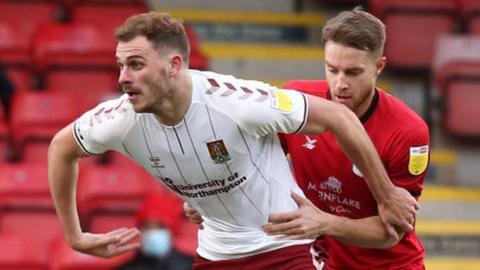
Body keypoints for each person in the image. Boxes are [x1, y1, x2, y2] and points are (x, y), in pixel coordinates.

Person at [48, 11, 418, 270]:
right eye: (120, 65)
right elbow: (61, 148)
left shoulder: (238, 101)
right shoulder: (120, 120)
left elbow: (338, 117)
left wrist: (384, 194)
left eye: (136, 65)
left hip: (284, 251)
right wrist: (75, 236)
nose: (123, 78)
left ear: (174, 65)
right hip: (216, 255)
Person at [261, 7, 429, 269]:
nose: (340, 83)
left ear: (378, 67)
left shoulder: (408, 131)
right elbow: (256, 162)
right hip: (324, 262)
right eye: (332, 69)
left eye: (352, 72)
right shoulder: (297, 102)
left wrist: (326, 222)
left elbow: (392, 233)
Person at [117, 191, 193, 270]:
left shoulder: (191, 266)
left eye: (160, 227)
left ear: (172, 232)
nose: (152, 232)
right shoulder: (127, 268)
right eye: (147, 227)